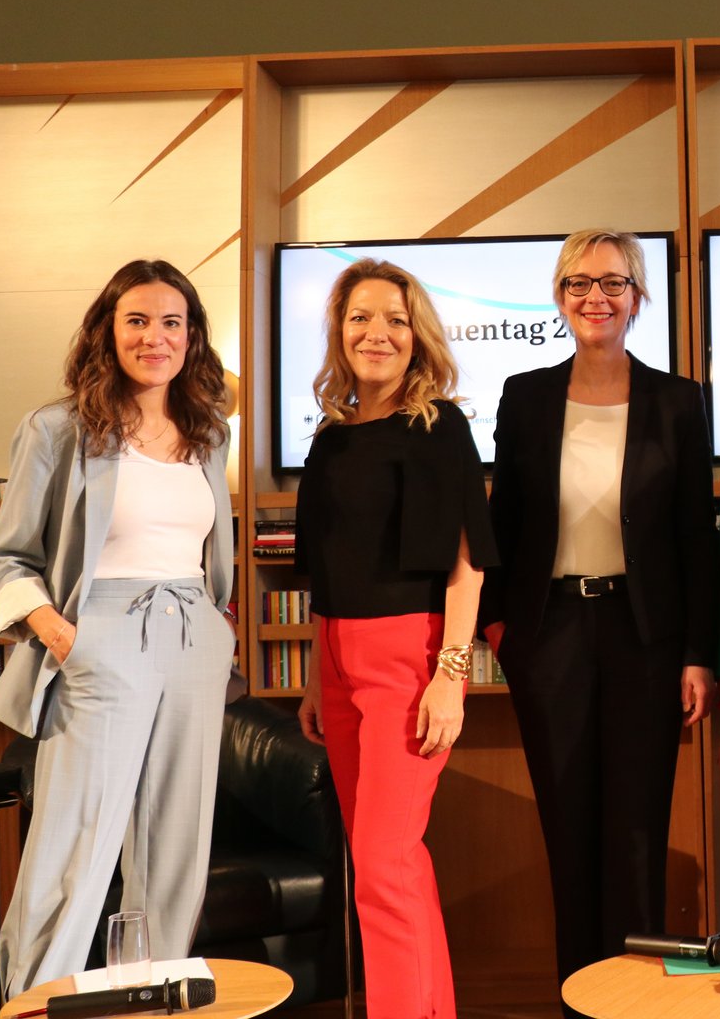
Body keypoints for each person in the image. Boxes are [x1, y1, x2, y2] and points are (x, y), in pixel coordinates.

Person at [0, 259, 237, 995]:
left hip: (193, 643)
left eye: (171, 323)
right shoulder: (57, 428)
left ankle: (149, 1000)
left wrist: (217, 635)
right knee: (76, 845)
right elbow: (8, 559)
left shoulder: (208, 432)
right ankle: (32, 1005)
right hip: (99, 640)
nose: (154, 337)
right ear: (108, 330)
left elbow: (206, 551)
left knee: (175, 850)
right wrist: (65, 637)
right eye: (137, 320)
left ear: (191, 338)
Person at [481, 229, 717, 1014]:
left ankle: (639, 999)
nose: (597, 297)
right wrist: (497, 630)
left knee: (638, 830)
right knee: (569, 828)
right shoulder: (525, 395)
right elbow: (504, 522)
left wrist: (697, 653)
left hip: (644, 637)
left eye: (614, 283)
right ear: (558, 297)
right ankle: (577, 997)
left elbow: (694, 536)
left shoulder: (678, 400)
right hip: (549, 636)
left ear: (638, 298)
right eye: (580, 283)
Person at [295, 258, 497, 1019]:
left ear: (418, 336)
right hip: (340, 661)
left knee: (383, 863)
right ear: (339, 333)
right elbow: (326, 574)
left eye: (395, 319)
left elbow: (467, 562)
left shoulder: (438, 425)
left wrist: (451, 675)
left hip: (408, 660)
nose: (376, 333)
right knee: (388, 865)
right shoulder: (329, 440)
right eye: (360, 318)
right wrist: (318, 677)